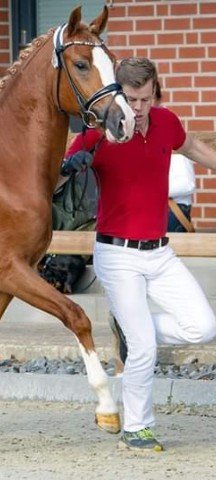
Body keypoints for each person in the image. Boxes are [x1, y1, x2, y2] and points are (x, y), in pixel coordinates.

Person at [61, 57, 216, 452]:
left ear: (154, 92)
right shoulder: (99, 134)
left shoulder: (166, 121)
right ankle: (137, 428)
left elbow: (194, 146)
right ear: (119, 94)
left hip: (160, 252)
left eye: (146, 98)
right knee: (145, 346)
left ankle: (129, 330)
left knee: (203, 327)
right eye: (132, 99)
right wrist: (69, 166)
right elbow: (54, 178)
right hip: (117, 255)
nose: (140, 108)